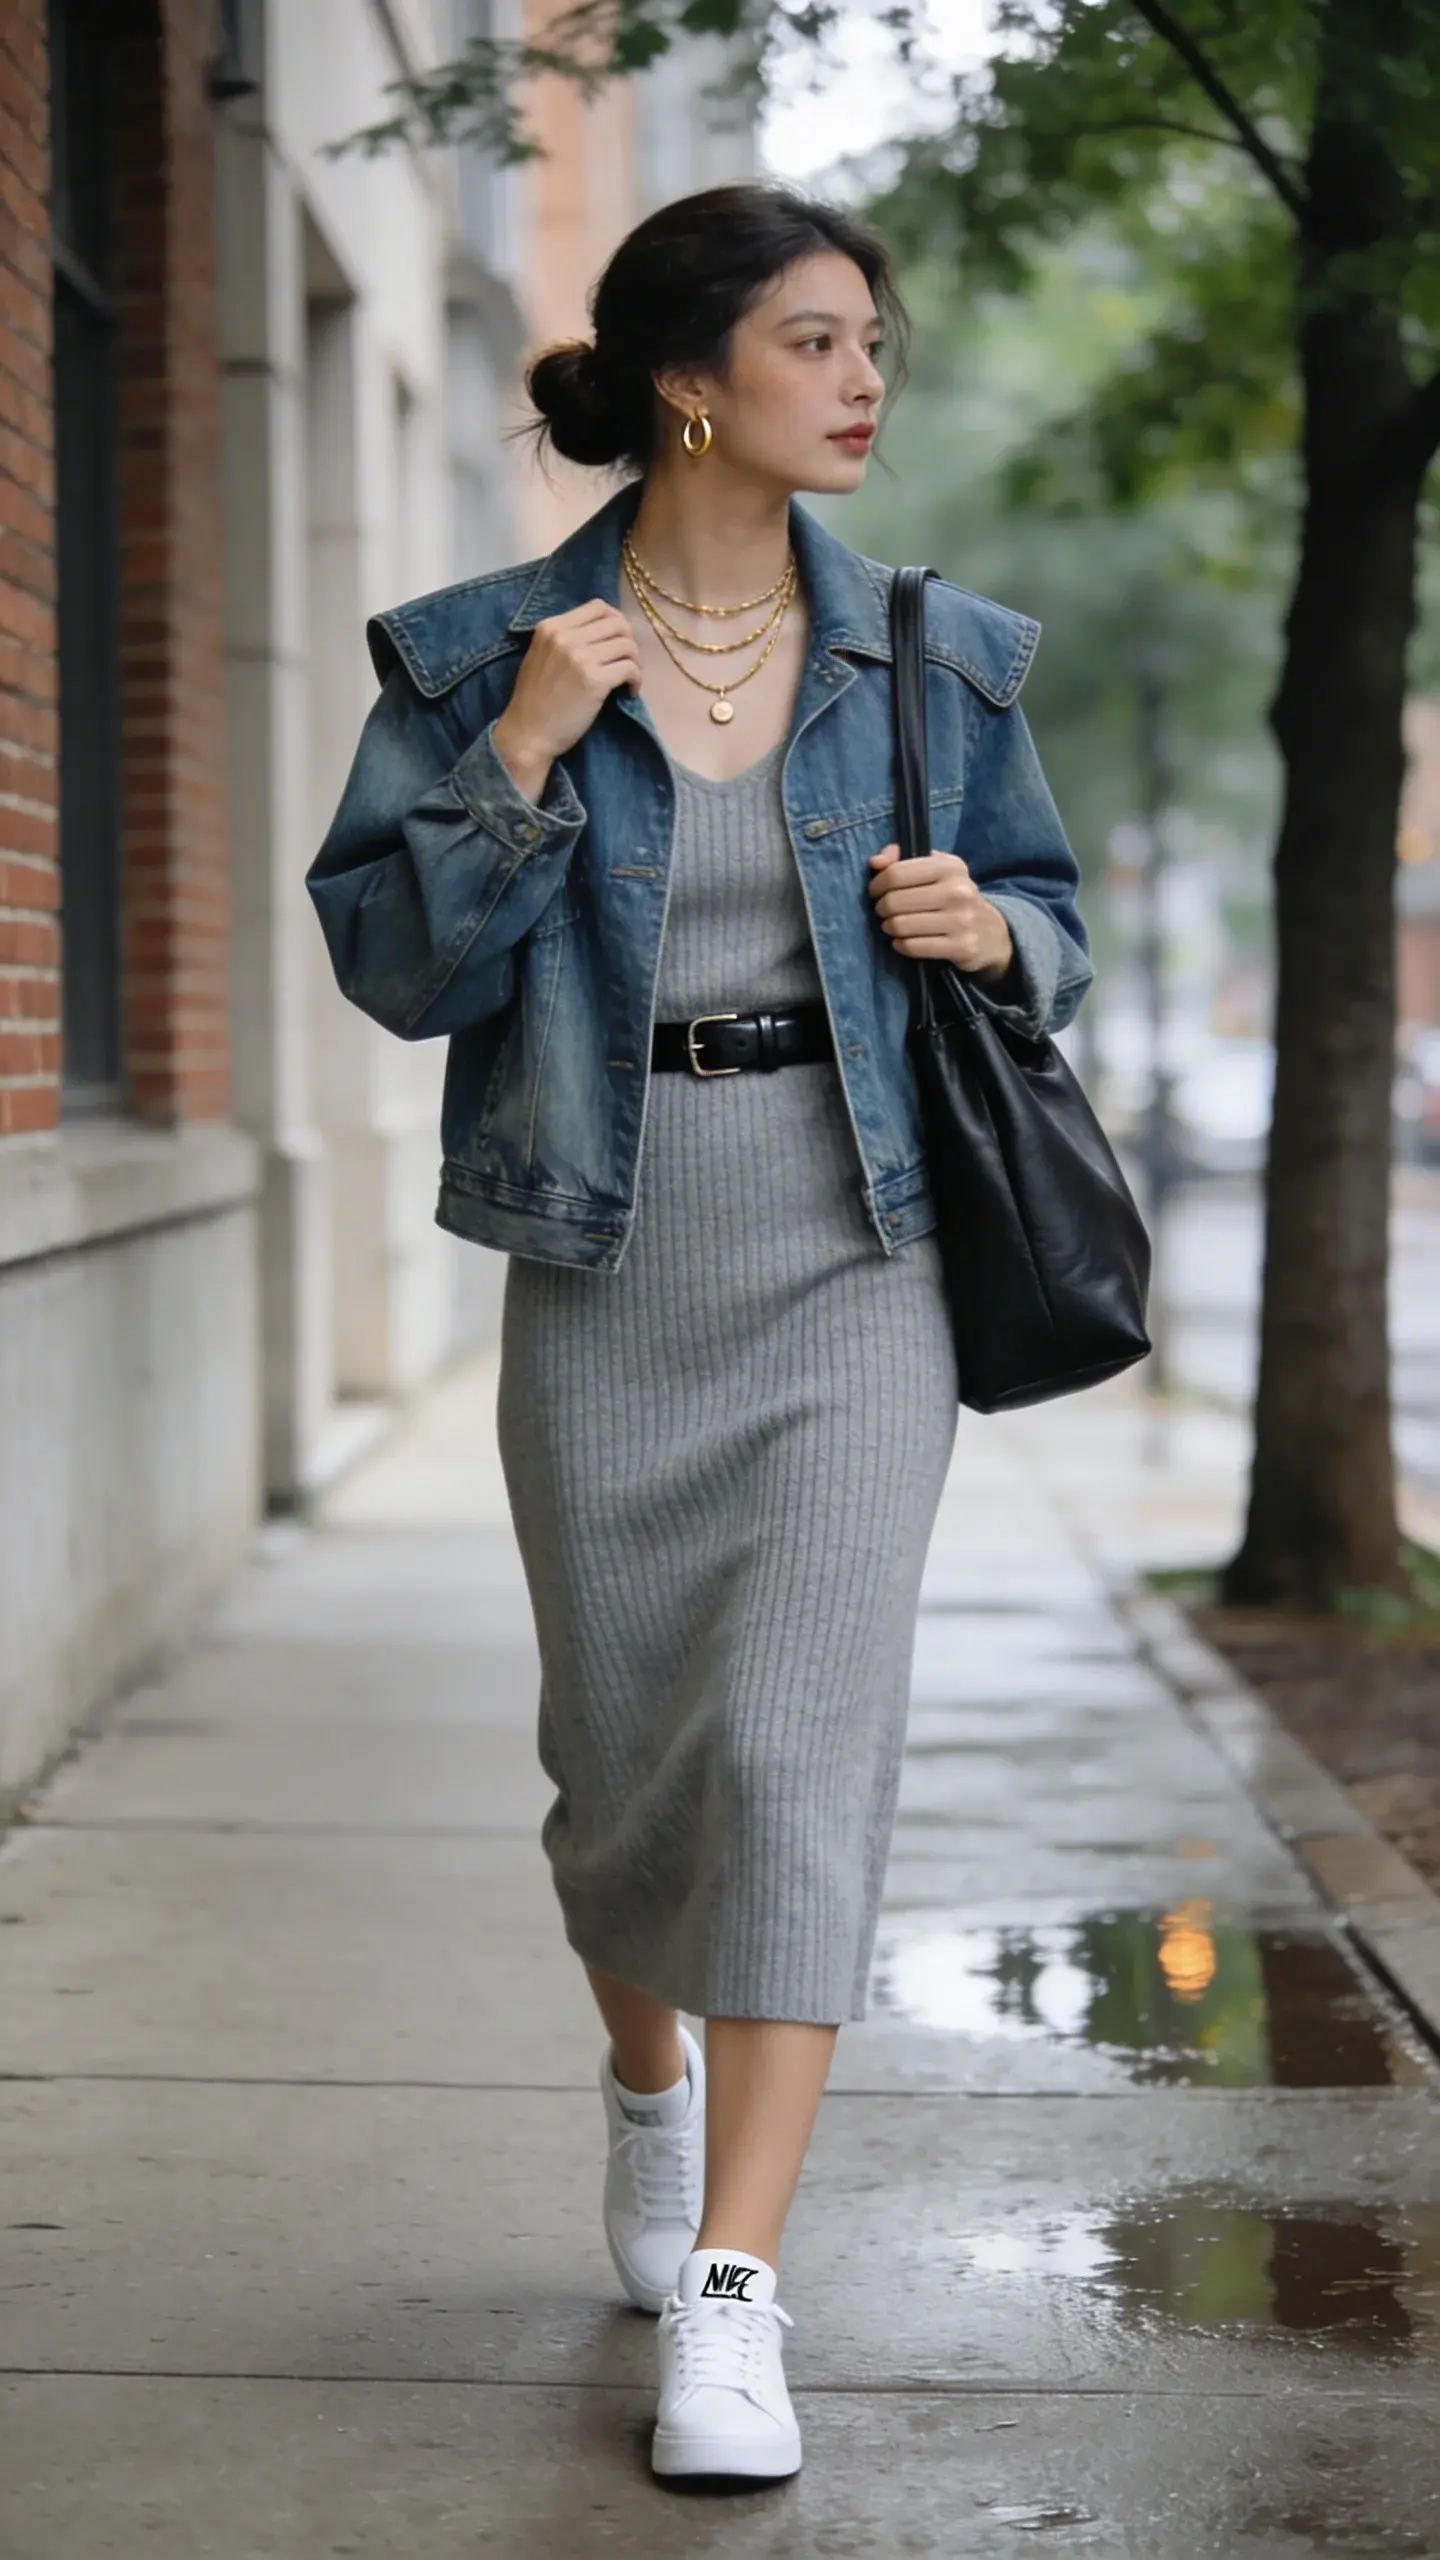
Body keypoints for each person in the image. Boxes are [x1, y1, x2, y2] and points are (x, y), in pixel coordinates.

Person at [306, 179, 1092, 2487]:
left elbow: (1056, 924)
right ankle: (650, 2086)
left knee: (793, 1748)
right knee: (625, 1750)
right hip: (609, 1243)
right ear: (690, 378)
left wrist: (994, 934)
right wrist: (528, 754)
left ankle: (739, 2288)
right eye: (822, 339)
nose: (865, 380)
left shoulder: (941, 658)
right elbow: (395, 966)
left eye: (879, 346)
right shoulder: (478, 652)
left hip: (866, 1250)